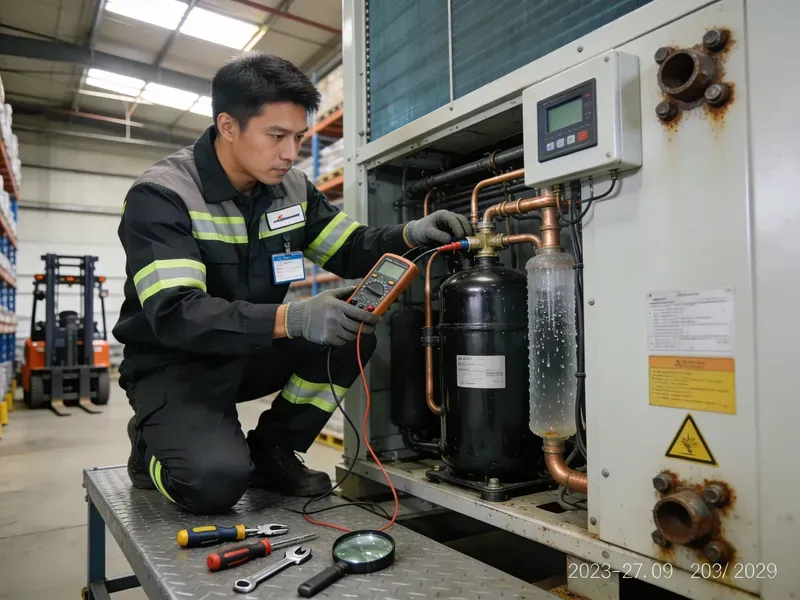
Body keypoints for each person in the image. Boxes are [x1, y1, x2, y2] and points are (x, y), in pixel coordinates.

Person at [114, 52, 471, 514]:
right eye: (276, 136)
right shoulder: (162, 196)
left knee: (353, 333)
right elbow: (177, 314)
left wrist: (410, 234)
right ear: (228, 126)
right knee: (212, 485)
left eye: (299, 137)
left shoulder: (292, 190)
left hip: (248, 350)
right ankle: (149, 447)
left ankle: (274, 450)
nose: (290, 153)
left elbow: (349, 248)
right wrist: (295, 317)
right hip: (173, 362)